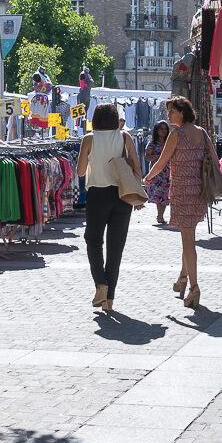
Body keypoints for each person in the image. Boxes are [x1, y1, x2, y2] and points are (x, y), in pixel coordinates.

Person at [144, 96, 217, 309]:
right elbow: (212, 157)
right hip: (199, 191)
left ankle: (194, 287)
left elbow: (161, 162)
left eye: (171, 111)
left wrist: (148, 179)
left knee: (188, 242)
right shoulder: (201, 132)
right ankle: (182, 279)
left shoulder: (177, 134)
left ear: (182, 112)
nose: (168, 116)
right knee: (189, 235)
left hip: (183, 192)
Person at [77, 102, 142, 312]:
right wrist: (138, 195)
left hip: (98, 194)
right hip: (123, 194)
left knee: (93, 240)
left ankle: (101, 285)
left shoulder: (89, 138)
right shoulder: (125, 137)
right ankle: (109, 300)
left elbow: (79, 171)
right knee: (116, 247)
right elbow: (136, 167)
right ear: (115, 119)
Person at [145, 121, 171, 224]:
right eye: (161, 129)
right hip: (157, 174)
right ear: (157, 130)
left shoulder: (169, 143)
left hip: (167, 172)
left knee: (165, 195)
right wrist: (159, 157)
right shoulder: (152, 144)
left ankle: (161, 216)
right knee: (158, 194)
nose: (163, 131)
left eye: (165, 129)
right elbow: (147, 157)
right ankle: (160, 216)